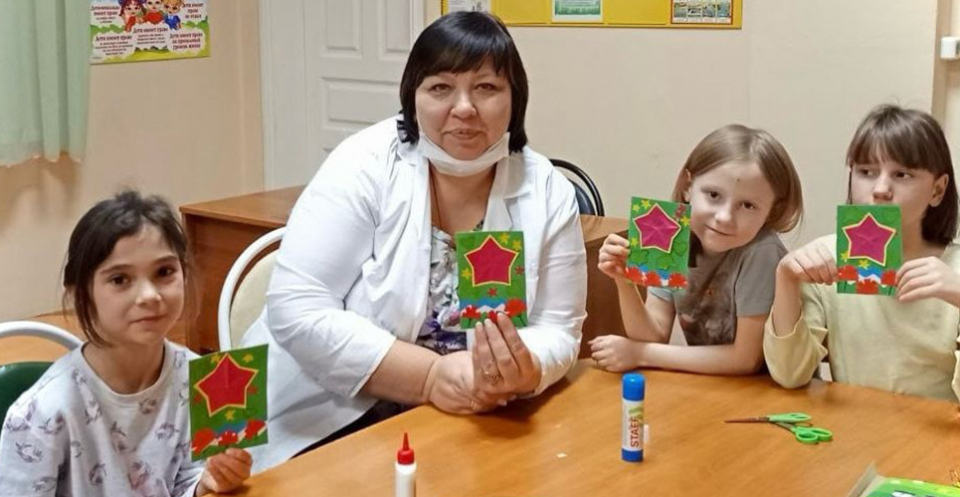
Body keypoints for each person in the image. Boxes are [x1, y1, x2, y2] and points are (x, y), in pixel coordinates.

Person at [240, 11, 587, 472]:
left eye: (486, 87)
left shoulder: (546, 189)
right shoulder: (363, 165)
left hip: (474, 420)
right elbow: (296, 307)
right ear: (412, 97)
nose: (464, 108)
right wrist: (429, 377)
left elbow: (559, 329)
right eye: (441, 87)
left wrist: (526, 369)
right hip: (329, 415)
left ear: (514, 99)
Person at [0, 191, 252, 496]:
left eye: (164, 272)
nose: (149, 295)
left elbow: (186, 481)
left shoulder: (204, 378)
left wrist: (208, 482)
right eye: (119, 279)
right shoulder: (42, 415)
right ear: (80, 294)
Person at [765, 104, 960, 401]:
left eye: (902, 174)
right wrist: (786, 278)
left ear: (937, 190)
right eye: (866, 172)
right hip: (856, 423)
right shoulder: (827, 261)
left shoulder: (954, 270)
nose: (881, 189)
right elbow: (789, 374)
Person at [590, 125, 803, 375]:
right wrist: (623, 280)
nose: (724, 217)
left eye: (747, 205)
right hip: (714, 386)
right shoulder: (666, 230)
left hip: (765, 390)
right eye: (713, 194)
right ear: (687, 187)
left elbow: (746, 359)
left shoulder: (762, 251)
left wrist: (640, 354)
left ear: (772, 211)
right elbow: (653, 335)